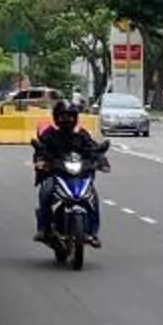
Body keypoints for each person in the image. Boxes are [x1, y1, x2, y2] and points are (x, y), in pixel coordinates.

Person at [31, 99, 107, 245]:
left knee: (93, 197)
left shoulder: (81, 134)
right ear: (56, 117)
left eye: (70, 116)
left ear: (75, 117)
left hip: (79, 174)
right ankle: (43, 228)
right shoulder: (50, 134)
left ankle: (92, 232)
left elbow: (93, 148)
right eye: (62, 116)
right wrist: (41, 161)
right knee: (46, 191)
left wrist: (101, 160)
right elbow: (41, 149)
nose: (66, 120)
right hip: (56, 173)